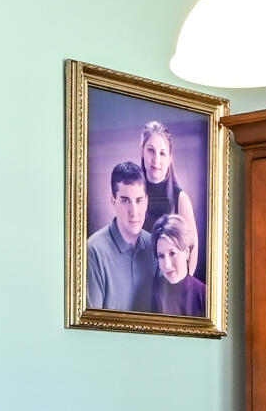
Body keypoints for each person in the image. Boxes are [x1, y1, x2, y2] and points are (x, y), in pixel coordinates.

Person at [85, 160, 157, 310]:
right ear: (113, 200)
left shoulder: (155, 246)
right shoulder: (93, 251)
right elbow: (90, 326)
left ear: (146, 202)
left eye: (139, 201)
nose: (134, 212)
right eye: (125, 201)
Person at [135, 120, 200, 264]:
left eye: (162, 153)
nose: (156, 159)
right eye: (151, 150)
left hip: (170, 283)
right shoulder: (132, 196)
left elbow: (192, 250)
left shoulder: (181, 199)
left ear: (170, 158)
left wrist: (181, 285)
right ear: (142, 152)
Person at [147, 212, 205, 318]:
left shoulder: (204, 295)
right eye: (161, 256)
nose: (167, 265)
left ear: (187, 252)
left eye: (172, 253)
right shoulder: (153, 291)